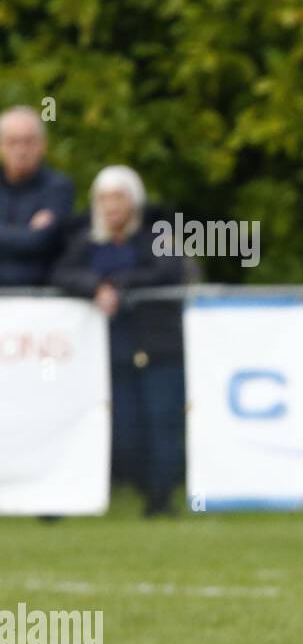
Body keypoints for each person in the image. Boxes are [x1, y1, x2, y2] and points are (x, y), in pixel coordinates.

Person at [52, 167, 189, 516]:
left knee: (163, 423)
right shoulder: (86, 239)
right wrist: (96, 288)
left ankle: (161, 500)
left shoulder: (158, 231)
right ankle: (138, 488)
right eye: (104, 198)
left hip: (158, 344)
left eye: (118, 197)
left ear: (134, 201)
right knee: (125, 428)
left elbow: (168, 270)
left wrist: (117, 285)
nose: (111, 206)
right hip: (112, 347)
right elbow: (63, 274)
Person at [0, 105, 75, 287]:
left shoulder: (58, 187)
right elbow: (31, 238)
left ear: (43, 146)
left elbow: (41, 240)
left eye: (28, 141)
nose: (21, 150)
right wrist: (27, 232)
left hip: (42, 299)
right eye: (12, 142)